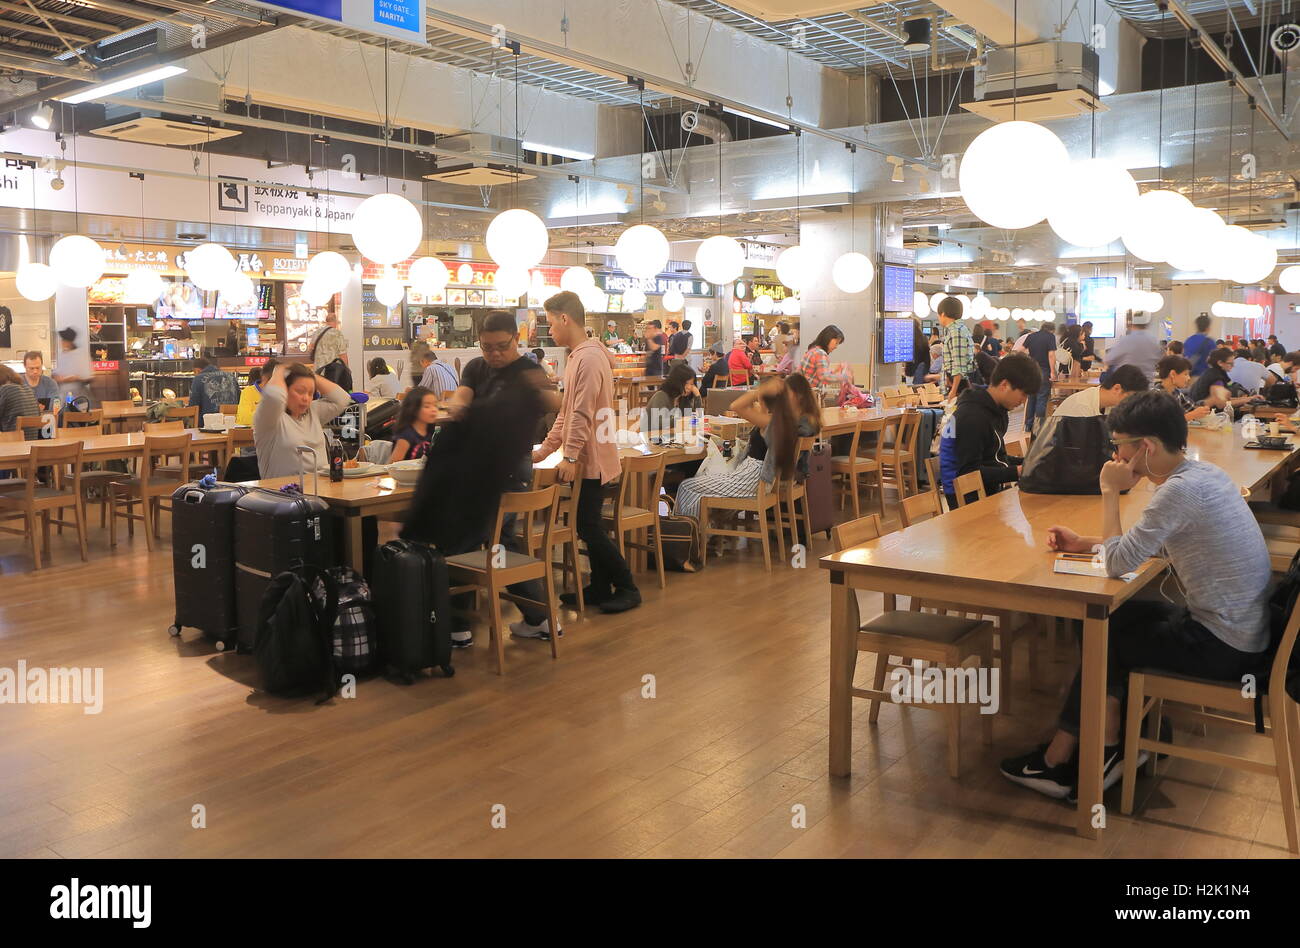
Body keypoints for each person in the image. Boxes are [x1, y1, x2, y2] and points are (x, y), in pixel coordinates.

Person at [1001, 390, 1272, 799]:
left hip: (1226, 647)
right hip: (1247, 632)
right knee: (1113, 625)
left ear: (1144, 447)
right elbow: (1159, 546)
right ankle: (1114, 746)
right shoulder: (1205, 475)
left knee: (1101, 632)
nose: (1116, 454)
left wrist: (1109, 492)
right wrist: (1085, 542)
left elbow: (1117, 565)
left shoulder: (1176, 491)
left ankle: (1065, 758)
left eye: (1118, 445)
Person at [532, 291, 640, 614]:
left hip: (593, 457)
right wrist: (545, 450)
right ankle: (599, 586)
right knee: (587, 525)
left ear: (565, 319)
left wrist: (569, 456)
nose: (550, 331)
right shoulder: (580, 355)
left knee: (588, 526)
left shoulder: (589, 359)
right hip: (589, 455)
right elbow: (567, 412)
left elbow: (582, 412)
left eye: (551, 324)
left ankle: (627, 586)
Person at [674, 374, 821, 522]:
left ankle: (687, 536)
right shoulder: (788, 421)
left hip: (751, 478)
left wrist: (759, 391)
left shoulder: (774, 421)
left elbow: (736, 406)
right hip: (755, 477)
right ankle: (695, 531)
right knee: (697, 485)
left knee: (687, 486)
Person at [937, 352, 1042, 509]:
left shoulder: (996, 410)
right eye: (1023, 394)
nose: (1023, 401)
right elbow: (968, 472)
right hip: (965, 497)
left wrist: (1030, 463)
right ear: (1004, 385)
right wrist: (1018, 471)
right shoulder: (971, 417)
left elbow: (995, 458)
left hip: (984, 487)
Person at [252, 362, 352, 478]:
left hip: (320, 488)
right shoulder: (270, 417)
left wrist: (310, 375)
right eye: (300, 391)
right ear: (285, 390)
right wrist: (279, 371)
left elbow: (342, 399)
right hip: (284, 492)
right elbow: (275, 397)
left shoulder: (313, 412)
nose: (306, 398)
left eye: (310, 393)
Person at [1054, 364, 1149, 417]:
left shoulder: (1109, 405)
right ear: (1117, 389)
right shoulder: (1082, 406)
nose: (1131, 404)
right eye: (1131, 398)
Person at [641, 361, 702, 438]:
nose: (689, 387)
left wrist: (697, 396)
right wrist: (681, 419)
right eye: (686, 383)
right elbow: (659, 423)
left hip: (668, 437)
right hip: (651, 437)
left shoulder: (683, 398)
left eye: (692, 384)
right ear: (676, 382)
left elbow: (696, 417)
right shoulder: (661, 396)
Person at [1189, 347, 1259, 410]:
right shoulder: (1216, 379)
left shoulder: (1213, 372)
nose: (1233, 366)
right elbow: (1221, 404)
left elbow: (1225, 399)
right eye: (1230, 363)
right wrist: (1246, 400)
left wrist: (1249, 398)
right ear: (1220, 363)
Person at [1099, 312, 1161, 381]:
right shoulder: (1154, 340)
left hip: (1128, 384)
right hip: (1147, 384)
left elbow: (1108, 359)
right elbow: (1159, 360)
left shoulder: (1127, 340)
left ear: (1132, 323)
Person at [938, 297, 976, 400]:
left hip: (959, 387)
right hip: (957, 384)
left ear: (943, 313)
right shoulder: (960, 329)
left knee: (956, 415)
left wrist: (953, 391)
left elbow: (959, 365)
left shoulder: (956, 332)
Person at [1023, 321, 1057, 432]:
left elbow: (1021, 350)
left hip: (1031, 370)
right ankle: (1039, 426)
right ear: (1051, 330)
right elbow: (1051, 355)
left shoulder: (1031, 336)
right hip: (1044, 370)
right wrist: (1053, 372)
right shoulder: (1050, 337)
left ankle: (1028, 425)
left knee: (1031, 398)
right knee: (1041, 398)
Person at [1156, 355, 1212, 422]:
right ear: (1172, 374)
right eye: (1185, 374)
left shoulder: (1176, 393)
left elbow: (1191, 408)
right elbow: (1164, 423)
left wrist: (1202, 410)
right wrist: (1192, 415)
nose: (1188, 378)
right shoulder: (1156, 396)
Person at [390, 387, 438, 462]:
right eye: (427, 406)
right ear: (414, 409)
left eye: (435, 405)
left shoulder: (429, 429)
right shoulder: (406, 435)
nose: (434, 409)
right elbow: (392, 465)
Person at [52, 328, 94, 409]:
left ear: (68, 342)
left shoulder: (81, 354)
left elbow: (89, 378)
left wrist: (75, 378)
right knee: (64, 417)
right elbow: (55, 373)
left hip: (80, 395)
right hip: (63, 394)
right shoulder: (62, 355)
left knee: (80, 418)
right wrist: (56, 377)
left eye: (63, 340)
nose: (61, 343)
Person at [798, 324, 846, 389]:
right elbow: (825, 378)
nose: (836, 347)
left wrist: (835, 371)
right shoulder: (820, 353)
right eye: (836, 342)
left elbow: (819, 373)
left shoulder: (814, 350)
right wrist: (844, 377)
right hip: (806, 394)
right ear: (828, 338)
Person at [0, 364, 40, 438]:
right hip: (33, 442)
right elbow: (38, 414)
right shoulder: (29, 389)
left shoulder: (4, 389)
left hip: (14, 443)